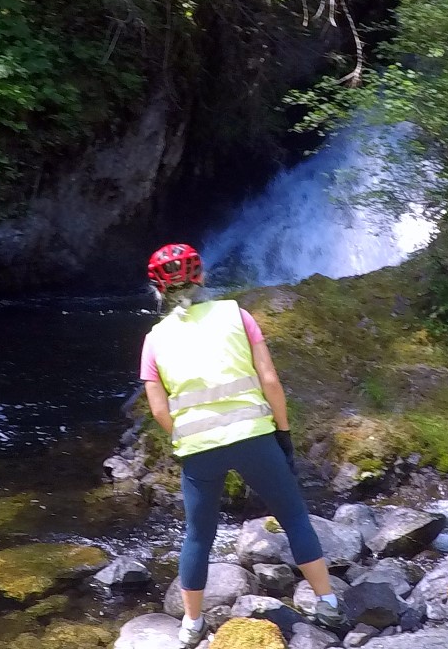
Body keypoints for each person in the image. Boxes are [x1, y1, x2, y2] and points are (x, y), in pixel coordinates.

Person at [139, 243, 346, 648]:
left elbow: (159, 410)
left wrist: (183, 436)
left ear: (158, 290)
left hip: (199, 449)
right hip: (254, 436)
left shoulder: (154, 340)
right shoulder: (237, 314)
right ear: (201, 278)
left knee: (198, 536)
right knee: (295, 518)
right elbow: (270, 380)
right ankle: (328, 603)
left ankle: (191, 625)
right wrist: (282, 434)